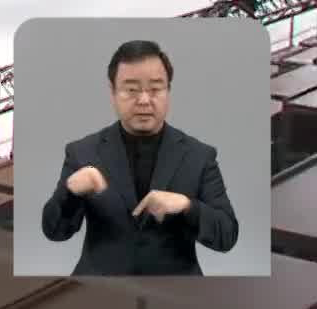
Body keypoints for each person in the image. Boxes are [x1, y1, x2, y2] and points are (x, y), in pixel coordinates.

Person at [39, 39, 239, 275]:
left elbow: (227, 235)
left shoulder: (199, 156)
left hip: (175, 297)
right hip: (99, 294)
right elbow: (55, 232)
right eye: (131, 90)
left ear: (168, 92)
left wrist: (187, 206)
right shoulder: (83, 152)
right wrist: (70, 192)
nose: (144, 100)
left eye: (155, 89)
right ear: (112, 92)